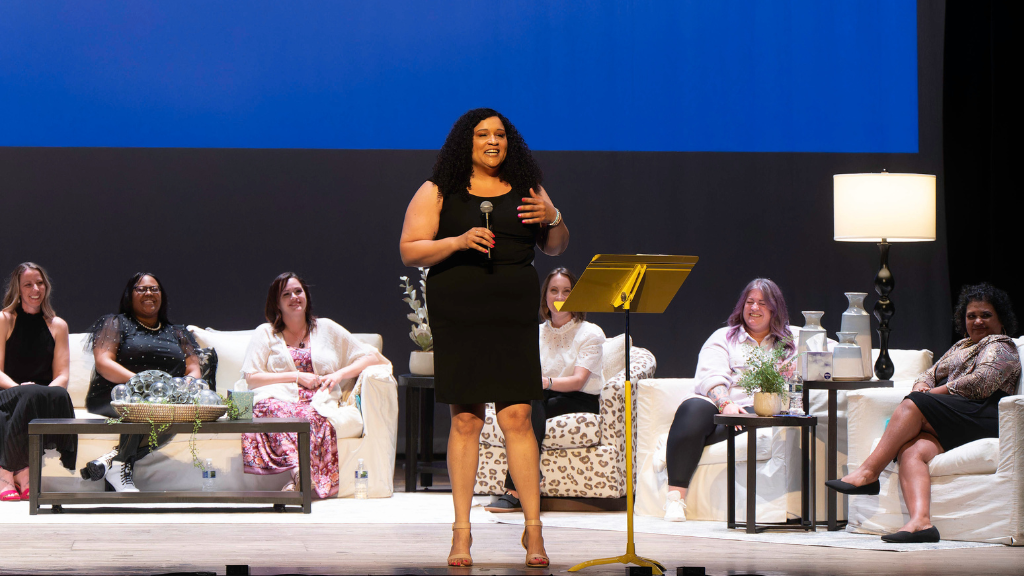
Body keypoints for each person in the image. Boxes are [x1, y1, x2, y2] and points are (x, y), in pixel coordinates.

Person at [400, 108, 568, 567]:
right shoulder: (439, 190)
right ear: (465, 142)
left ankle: (533, 531)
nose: (492, 141)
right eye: (482, 134)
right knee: (466, 420)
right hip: (460, 310)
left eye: (500, 135)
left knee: (517, 415)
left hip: (511, 312)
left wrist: (555, 216)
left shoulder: (527, 189)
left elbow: (555, 244)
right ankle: (461, 532)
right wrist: (457, 241)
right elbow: (410, 249)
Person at [826, 283, 1021, 543]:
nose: (977, 321)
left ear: (1001, 319)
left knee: (912, 405)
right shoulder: (961, 346)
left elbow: (981, 382)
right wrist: (922, 386)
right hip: (959, 416)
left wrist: (929, 395)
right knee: (912, 450)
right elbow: (930, 373)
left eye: (986, 315)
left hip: (986, 415)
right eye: (971, 315)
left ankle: (868, 473)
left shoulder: (1002, 346)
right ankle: (921, 523)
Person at [240, 272, 387, 499]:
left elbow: (373, 357)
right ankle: (301, 473)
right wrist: (297, 376)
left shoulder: (326, 328)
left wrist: (339, 374)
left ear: (306, 295)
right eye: (286, 294)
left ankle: (297, 481)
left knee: (311, 416)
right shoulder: (266, 333)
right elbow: (252, 377)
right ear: (277, 303)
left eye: (298, 291)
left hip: (318, 399)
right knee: (267, 409)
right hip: (278, 398)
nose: (294, 297)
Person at [662, 278, 797, 522]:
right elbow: (711, 376)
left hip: (761, 408)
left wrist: (799, 365)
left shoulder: (793, 340)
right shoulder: (723, 337)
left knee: (755, 411)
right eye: (750, 302)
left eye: (762, 303)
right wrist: (727, 405)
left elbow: (829, 351)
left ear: (776, 309)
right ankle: (675, 500)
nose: (754, 308)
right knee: (692, 409)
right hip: (721, 405)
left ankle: (681, 444)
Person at [485, 267, 606, 513]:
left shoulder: (590, 332)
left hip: (580, 399)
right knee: (527, 404)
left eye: (566, 291)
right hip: (543, 396)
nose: (560, 297)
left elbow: (577, 381)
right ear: (545, 296)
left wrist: (545, 382)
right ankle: (529, 478)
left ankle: (515, 489)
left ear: (576, 296)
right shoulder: (535, 333)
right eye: (554, 291)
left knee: (533, 402)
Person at [79, 272, 202, 492]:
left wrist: (177, 390)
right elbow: (103, 362)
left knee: (177, 414)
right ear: (129, 295)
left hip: (165, 398)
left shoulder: (177, 332)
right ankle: (121, 467)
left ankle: (113, 461)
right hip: (116, 394)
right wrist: (143, 384)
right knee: (139, 407)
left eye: (154, 289)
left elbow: (193, 369)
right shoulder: (116, 323)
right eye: (141, 289)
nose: (149, 293)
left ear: (161, 295)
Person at [0, 263, 76, 501]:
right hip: (8, 392)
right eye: (28, 284)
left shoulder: (58, 325)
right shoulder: (5, 319)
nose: (36, 288)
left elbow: (62, 375)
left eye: (40, 283)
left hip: (43, 394)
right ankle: (14, 472)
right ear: (18, 289)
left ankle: (15, 471)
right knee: (27, 397)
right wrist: (21, 389)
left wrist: (42, 392)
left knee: (60, 395)